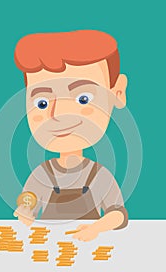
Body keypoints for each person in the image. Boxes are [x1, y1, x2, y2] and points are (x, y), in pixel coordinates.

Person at [13, 30, 128, 241]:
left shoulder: (98, 176)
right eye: (42, 103)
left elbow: (117, 215)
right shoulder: (43, 174)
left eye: (83, 98)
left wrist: (96, 229)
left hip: (88, 246)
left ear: (117, 93)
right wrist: (25, 209)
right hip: (49, 245)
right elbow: (29, 197)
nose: (57, 115)